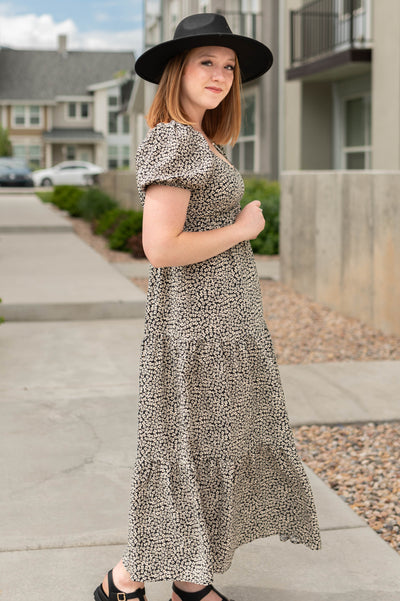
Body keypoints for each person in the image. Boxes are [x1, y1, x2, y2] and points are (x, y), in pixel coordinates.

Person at [94, 12, 321, 601]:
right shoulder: (173, 137)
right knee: (184, 453)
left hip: (223, 322)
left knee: (210, 451)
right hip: (195, 325)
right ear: (178, 70)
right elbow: (160, 247)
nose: (220, 74)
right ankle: (124, 579)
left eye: (229, 66)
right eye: (206, 62)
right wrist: (243, 228)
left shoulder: (204, 142)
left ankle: (191, 579)